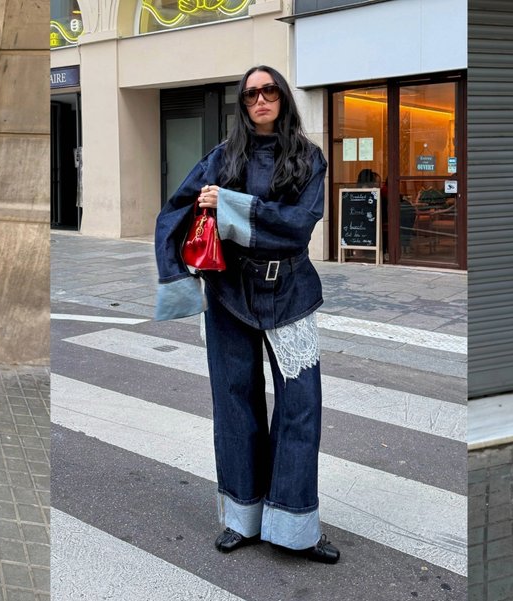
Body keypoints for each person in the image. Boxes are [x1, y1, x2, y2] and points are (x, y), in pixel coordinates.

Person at [152, 65, 339, 563]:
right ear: (243, 102)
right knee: (234, 402)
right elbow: (173, 211)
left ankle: (295, 526)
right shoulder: (220, 157)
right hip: (229, 293)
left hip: (290, 291)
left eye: (269, 90)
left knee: (302, 406)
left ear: (282, 97)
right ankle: (242, 517)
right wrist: (179, 271)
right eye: (251, 93)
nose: (260, 99)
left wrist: (230, 206)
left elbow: (300, 226)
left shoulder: (309, 158)